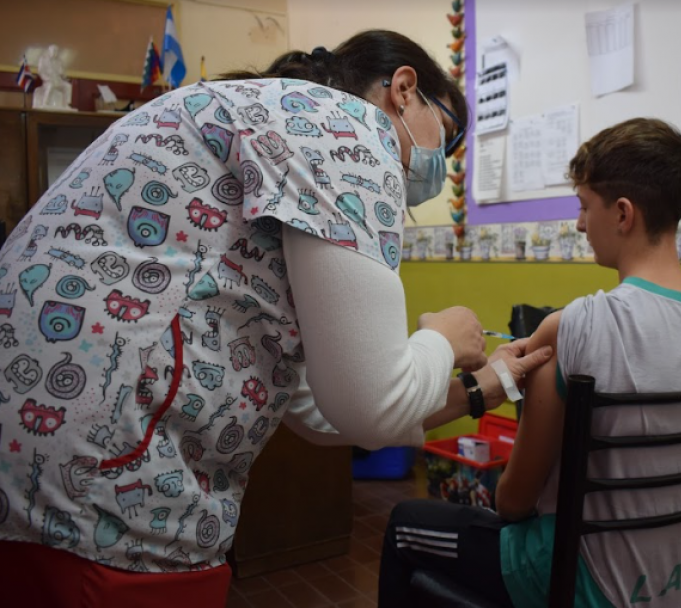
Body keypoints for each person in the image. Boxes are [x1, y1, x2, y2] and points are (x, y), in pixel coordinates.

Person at [0, 30, 552, 607]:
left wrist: (485, 387)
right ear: (404, 90)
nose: (445, 162)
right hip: (100, 484)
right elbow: (373, 405)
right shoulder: (350, 130)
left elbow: (320, 410)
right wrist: (442, 337)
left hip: (40, 456)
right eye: (450, 136)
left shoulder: (275, 126)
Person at [379, 118, 681, 608]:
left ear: (622, 214)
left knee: (405, 524)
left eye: (583, 207)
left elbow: (512, 502)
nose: (577, 224)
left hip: (588, 585)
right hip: (676, 584)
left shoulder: (579, 326)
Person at [33, 44, 74, 110]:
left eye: (56, 51)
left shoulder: (59, 61)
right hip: (48, 80)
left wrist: (65, 77)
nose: (55, 52)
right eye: (53, 51)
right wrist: (47, 78)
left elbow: (62, 73)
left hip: (58, 80)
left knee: (68, 86)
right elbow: (41, 71)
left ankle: (66, 104)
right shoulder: (43, 59)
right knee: (50, 85)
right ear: (49, 51)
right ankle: (45, 103)